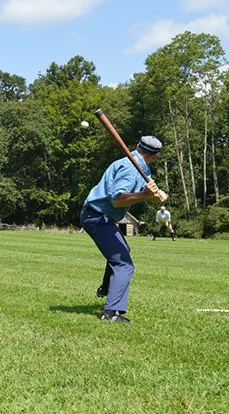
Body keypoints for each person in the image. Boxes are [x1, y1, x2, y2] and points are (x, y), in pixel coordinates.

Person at [80, 136, 168, 324]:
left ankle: (106, 288)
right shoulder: (130, 167)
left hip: (102, 217)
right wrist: (145, 196)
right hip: (97, 217)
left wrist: (158, 194)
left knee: (122, 253)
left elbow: (149, 186)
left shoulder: (142, 167)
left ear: (137, 146)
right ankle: (111, 313)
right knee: (124, 265)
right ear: (156, 155)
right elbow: (117, 199)